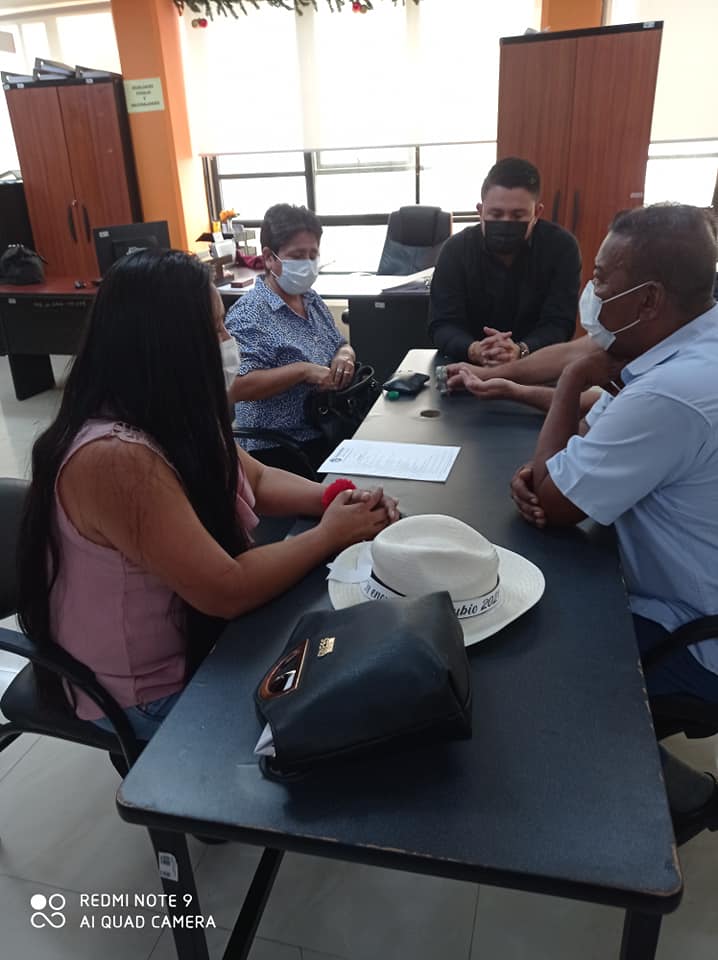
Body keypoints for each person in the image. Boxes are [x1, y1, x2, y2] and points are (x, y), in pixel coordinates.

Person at [16, 249, 399, 742]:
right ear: (167, 345)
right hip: (147, 688)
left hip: (206, 636)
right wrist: (330, 534)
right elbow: (226, 589)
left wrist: (339, 499)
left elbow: (257, 479)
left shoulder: (169, 410)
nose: (229, 341)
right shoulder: (113, 459)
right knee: (341, 720)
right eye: (216, 328)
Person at [509, 204, 718, 840]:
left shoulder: (669, 393)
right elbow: (594, 431)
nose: (592, 292)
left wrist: (573, 374)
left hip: (696, 631)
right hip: (693, 588)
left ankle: (673, 801)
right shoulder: (691, 352)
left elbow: (551, 503)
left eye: (602, 278)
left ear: (648, 298)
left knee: (523, 662)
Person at [226, 203, 356, 475]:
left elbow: (340, 344)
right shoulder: (249, 314)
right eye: (297, 255)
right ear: (269, 258)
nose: (307, 263)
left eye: (313, 255)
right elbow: (237, 386)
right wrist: (303, 371)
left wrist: (344, 356)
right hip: (280, 448)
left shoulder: (310, 299)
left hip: (327, 426)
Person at [429, 157, 581, 365]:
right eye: (496, 214)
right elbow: (442, 324)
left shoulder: (561, 248)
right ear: (480, 211)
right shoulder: (455, 250)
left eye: (518, 215)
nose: (506, 222)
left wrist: (521, 351)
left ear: (537, 213)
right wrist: (474, 350)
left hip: (536, 363)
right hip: (467, 364)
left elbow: (559, 323)